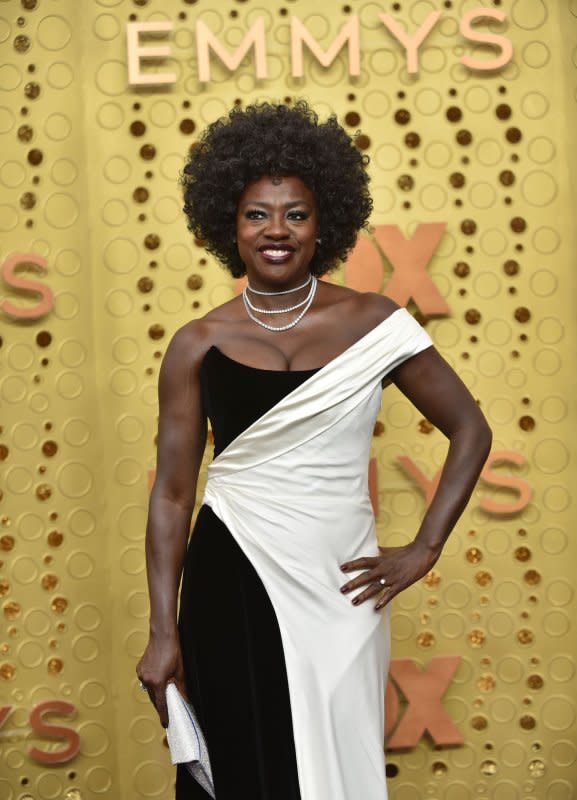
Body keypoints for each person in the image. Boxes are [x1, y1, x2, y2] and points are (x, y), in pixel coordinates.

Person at [136, 100, 492, 800]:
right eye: (256, 214)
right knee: (241, 755)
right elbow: (174, 494)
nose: (276, 230)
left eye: (294, 214)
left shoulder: (374, 322)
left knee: (337, 750)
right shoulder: (197, 343)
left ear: (322, 222)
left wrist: (423, 548)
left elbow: (470, 429)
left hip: (341, 583)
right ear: (227, 226)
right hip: (231, 572)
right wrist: (160, 630)